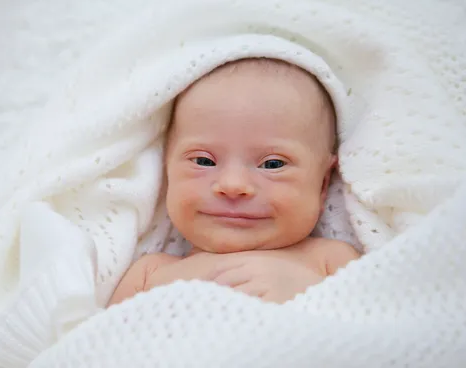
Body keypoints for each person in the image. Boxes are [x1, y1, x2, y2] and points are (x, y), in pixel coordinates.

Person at [108, 58, 360, 306]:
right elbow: (100, 342)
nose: (233, 184)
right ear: (166, 172)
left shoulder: (329, 262)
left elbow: (379, 327)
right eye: (203, 161)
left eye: (273, 164)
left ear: (323, 184)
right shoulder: (149, 273)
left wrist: (312, 292)